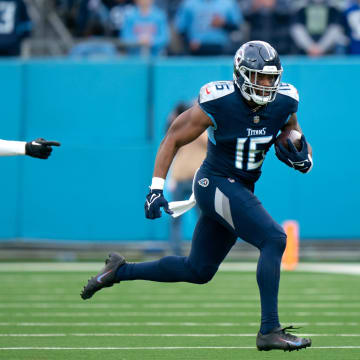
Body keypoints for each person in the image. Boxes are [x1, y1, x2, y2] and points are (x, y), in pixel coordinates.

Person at [80, 40, 313, 352]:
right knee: (274, 238)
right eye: (260, 77)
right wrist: (155, 189)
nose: (267, 84)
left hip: (240, 187)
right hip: (213, 182)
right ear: (241, 75)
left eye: (272, 77)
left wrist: (301, 153)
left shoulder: (285, 101)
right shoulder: (219, 101)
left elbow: (292, 133)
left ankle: (119, 270)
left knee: (198, 270)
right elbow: (173, 137)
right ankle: (269, 329)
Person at [166, 101, 207, 256]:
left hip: (197, 180)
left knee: (202, 218)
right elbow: (172, 155)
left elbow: (210, 144)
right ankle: (175, 252)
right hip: (179, 178)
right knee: (175, 217)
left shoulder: (202, 130)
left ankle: (202, 251)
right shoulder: (178, 130)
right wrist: (171, 179)